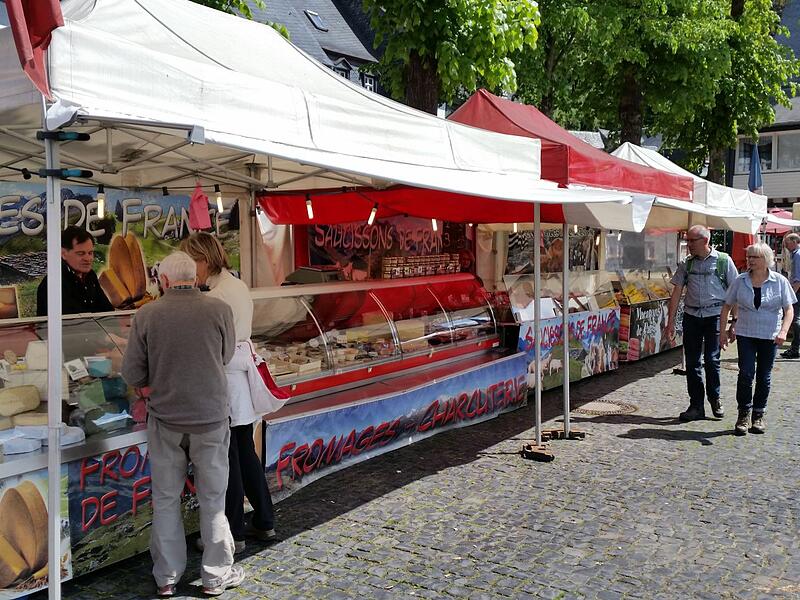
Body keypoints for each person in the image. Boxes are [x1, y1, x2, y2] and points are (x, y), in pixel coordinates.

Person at [121, 251, 244, 597]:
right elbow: (225, 356)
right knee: (213, 498)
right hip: (211, 417)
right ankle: (216, 575)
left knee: (165, 499)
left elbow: (132, 372)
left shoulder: (147, 315)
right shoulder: (218, 309)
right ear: (197, 277)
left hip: (166, 419)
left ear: (163, 281)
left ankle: (166, 577)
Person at [181, 233, 278, 555]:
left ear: (203, 260)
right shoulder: (236, 285)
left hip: (224, 379)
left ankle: (233, 532)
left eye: (189, 260)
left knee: (230, 459)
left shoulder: (215, 296)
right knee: (244, 451)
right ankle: (264, 520)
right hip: (238, 379)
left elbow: (205, 345)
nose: (187, 268)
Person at [720, 243, 795, 435]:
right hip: (746, 333)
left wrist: (784, 331)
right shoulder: (740, 280)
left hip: (770, 335)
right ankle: (743, 414)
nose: (750, 260)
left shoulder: (779, 281)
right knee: (746, 373)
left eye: (755, 257)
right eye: (749, 257)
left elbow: (789, 309)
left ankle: (758, 414)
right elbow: (727, 306)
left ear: (766, 260)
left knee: (764, 376)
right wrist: (723, 331)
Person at [666, 225, 738, 422]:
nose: (688, 245)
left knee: (712, 360)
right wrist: (670, 322)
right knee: (692, 362)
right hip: (691, 316)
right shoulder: (686, 264)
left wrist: (734, 322)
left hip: (715, 316)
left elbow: (734, 292)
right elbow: (676, 293)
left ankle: (715, 398)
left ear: (705, 241)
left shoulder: (723, 261)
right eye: (687, 240)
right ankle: (696, 405)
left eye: (692, 241)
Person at [36, 226, 113, 316]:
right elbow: (70, 322)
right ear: (63, 254)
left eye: (90, 253)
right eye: (81, 254)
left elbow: (107, 311)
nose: (88, 259)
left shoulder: (90, 276)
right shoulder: (53, 284)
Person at [779, 233, 800, 358]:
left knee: (795, 319)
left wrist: (792, 295)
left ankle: (795, 348)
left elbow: (798, 278)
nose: (785, 245)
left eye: (787, 242)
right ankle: (794, 347)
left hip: (798, 291)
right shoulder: (795, 254)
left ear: (794, 241)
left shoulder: (797, 255)